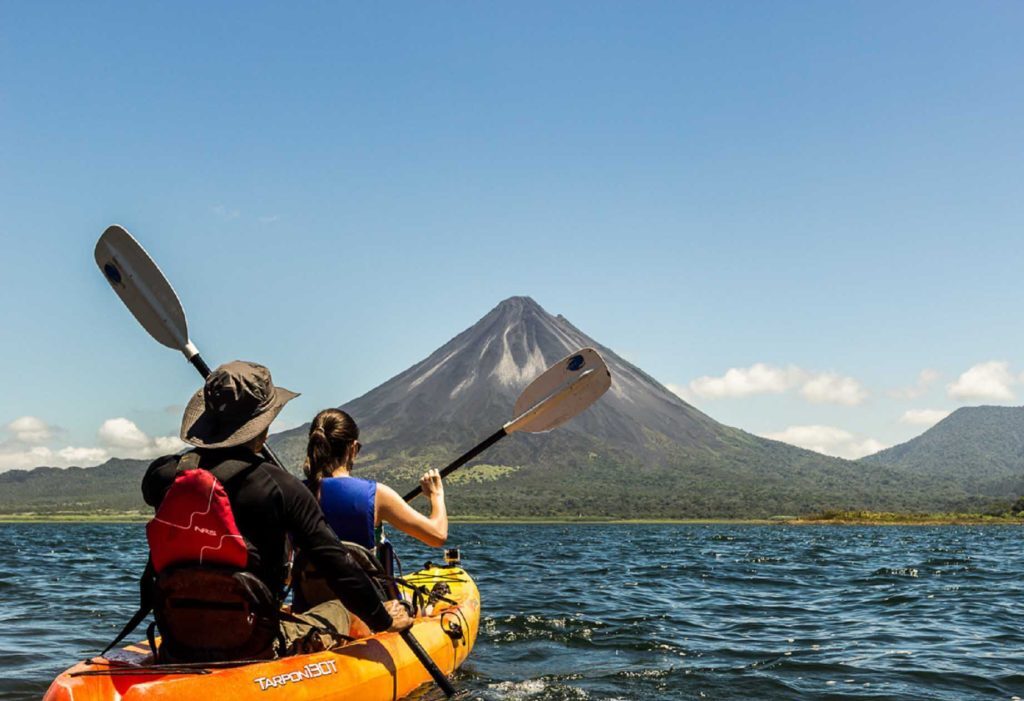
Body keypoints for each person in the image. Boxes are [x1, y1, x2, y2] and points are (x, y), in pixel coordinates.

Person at [141, 361, 412, 660]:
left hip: (179, 634)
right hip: (251, 640)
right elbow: (339, 566)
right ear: (265, 427)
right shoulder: (282, 488)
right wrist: (384, 619)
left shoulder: (164, 475)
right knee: (338, 607)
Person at [304, 408, 448, 551]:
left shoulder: (293, 494)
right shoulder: (376, 494)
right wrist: (436, 495)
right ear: (352, 448)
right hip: (359, 574)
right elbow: (437, 535)